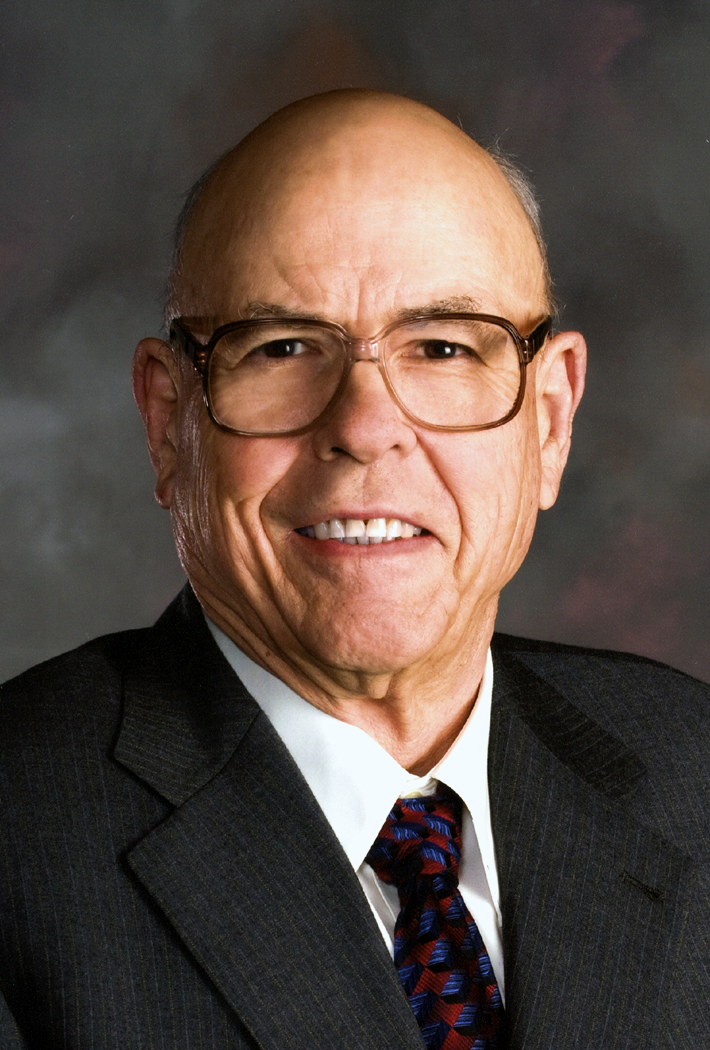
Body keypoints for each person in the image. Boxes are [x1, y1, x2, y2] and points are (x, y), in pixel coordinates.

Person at [1, 90, 709, 1050]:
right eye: (283, 348)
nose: (366, 427)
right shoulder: (21, 840)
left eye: (444, 347)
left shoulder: (692, 768)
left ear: (549, 422)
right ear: (169, 424)